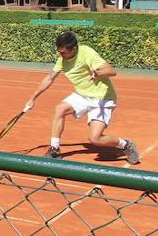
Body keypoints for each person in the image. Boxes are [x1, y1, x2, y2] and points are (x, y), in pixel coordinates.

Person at [22, 31, 139, 164]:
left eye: (64, 52)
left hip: (102, 98)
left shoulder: (86, 52)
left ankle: (126, 145)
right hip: (81, 95)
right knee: (60, 109)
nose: (61, 55)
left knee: (95, 139)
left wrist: (98, 73)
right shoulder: (62, 59)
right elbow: (49, 78)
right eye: (59, 52)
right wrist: (32, 98)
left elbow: (111, 71)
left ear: (74, 49)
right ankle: (54, 149)